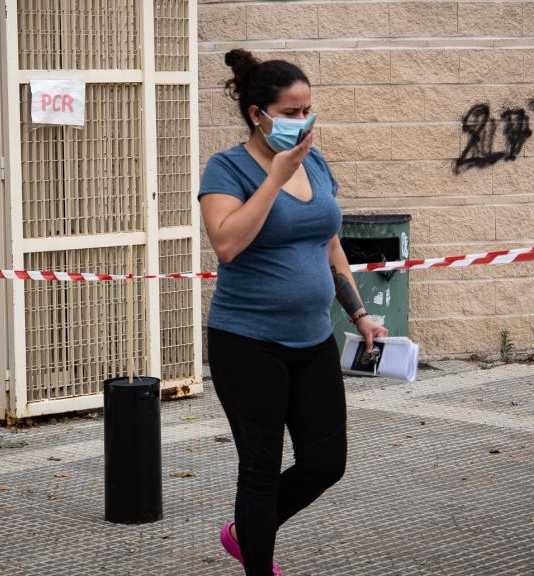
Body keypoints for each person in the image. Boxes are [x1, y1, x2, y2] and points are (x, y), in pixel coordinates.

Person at [199, 50, 388, 576]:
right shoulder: (227, 167)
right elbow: (227, 244)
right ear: (258, 114)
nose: (302, 122)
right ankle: (259, 563)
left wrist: (359, 314)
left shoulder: (318, 161)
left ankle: (245, 532)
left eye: (307, 110)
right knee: (259, 469)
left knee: (327, 463)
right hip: (247, 343)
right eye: (290, 111)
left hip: (311, 340)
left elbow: (329, 246)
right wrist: (276, 177)